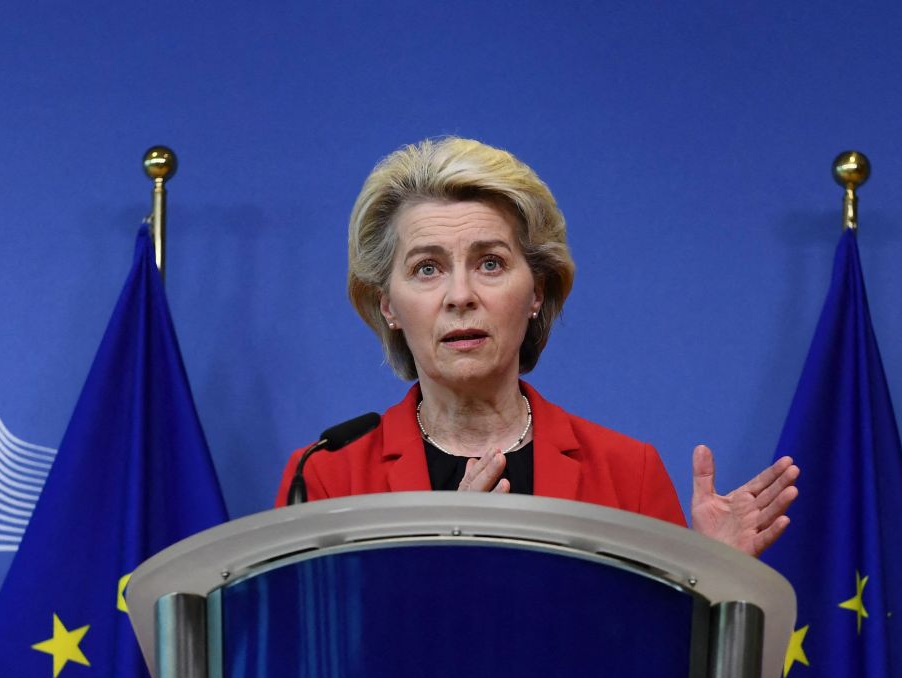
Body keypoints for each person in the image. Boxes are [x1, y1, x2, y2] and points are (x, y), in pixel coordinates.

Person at [277, 137, 797, 555]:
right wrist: (439, 565)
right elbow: (304, 664)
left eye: (490, 264)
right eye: (427, 268)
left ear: (536, 292)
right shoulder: (326, 476)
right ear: (388, 305)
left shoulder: (625, 473)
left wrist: (709, 578)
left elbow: (657, 671)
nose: (461, 296)